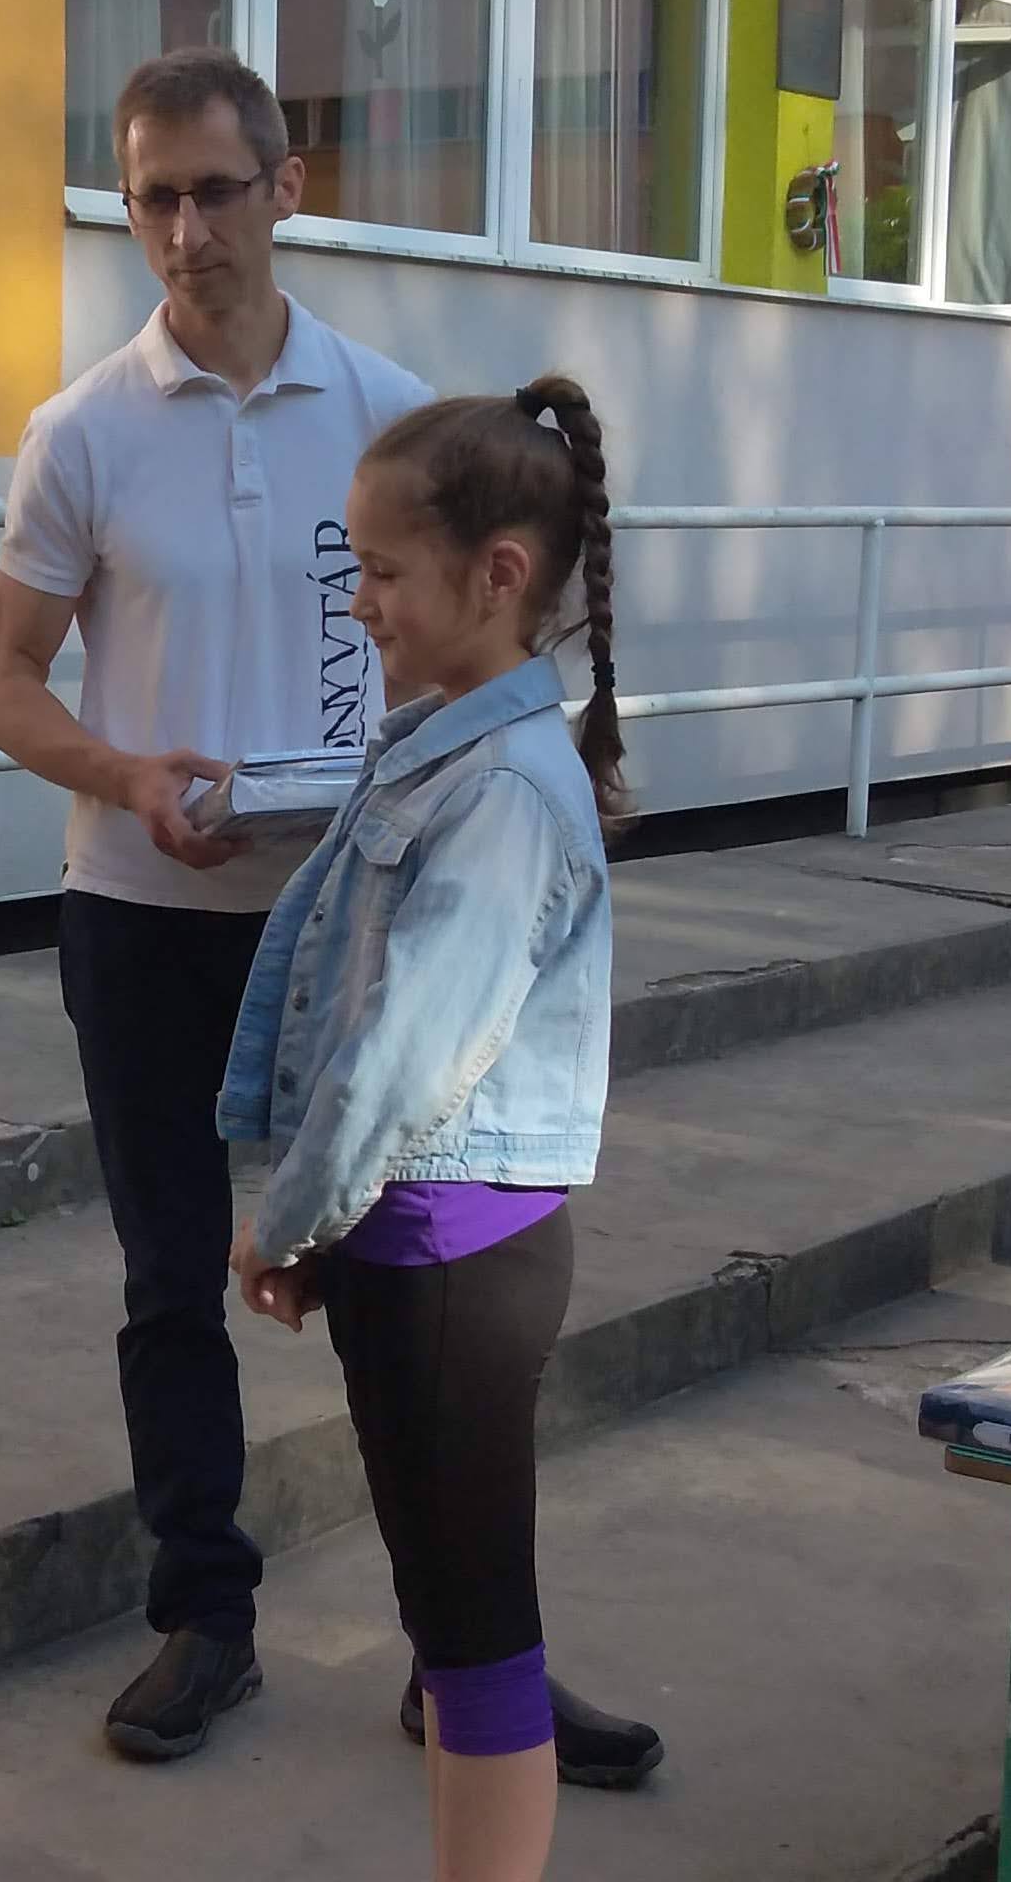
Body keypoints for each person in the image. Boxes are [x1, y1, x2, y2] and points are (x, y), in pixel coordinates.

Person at [0, 46, 643, 1773]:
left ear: (288, 187)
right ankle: (205, 1614)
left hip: (366, 907)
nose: (185, 229)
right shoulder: (81, 430)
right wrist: (125, 772)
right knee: (168, 1281)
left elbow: (479, 646)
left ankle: (461, 1652)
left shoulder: (391, 410)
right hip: (145, 911)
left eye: (215, 188)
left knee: (403, 1289)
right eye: (151, 198)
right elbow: (2, 686)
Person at [222, 376, 643, 1882]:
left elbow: (406, 1053)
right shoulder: (453, 749)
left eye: (382, 572)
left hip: (452, 1253)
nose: (360, 604)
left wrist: (289, 1216)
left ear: (498, 574)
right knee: (452, 1620)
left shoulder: (505, 789)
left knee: (474, 1635)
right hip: (417, 1238)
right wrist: (313, 1215)